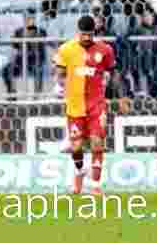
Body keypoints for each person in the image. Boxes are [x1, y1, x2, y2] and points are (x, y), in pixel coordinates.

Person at [54, 15, 117, 195]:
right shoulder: (66, 49)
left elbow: (113, 73)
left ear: (94, 33)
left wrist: (118, 94)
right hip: (75, 105)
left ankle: (95, 185)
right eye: (84, 34)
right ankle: (79, 172)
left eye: (90, 34)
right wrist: (59, 86)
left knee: (97, 143)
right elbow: (59, 72)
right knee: (76, 147)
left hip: (96, 105)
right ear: (78, 33)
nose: (87, 38)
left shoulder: (105, 50)